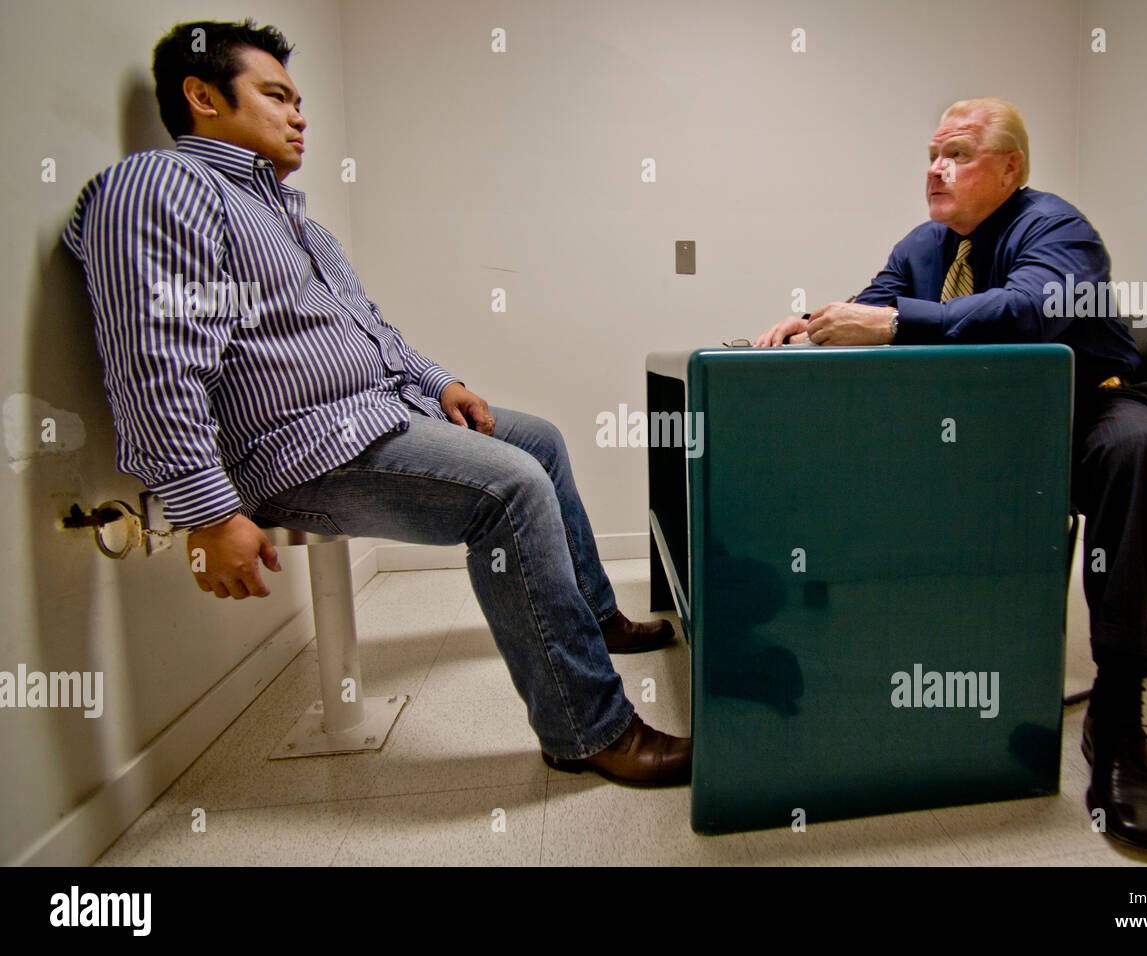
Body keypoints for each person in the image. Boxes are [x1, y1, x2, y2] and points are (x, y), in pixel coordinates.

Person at [62, 19, 689, 786]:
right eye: (276, 95)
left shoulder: (299, 224)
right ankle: (586, 730)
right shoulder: (161, 187)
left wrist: (440, 384)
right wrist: (206, 511)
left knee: (541, 441)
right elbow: (153, 362)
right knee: (511, 488)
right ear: (201, 95)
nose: (300, 115)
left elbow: (375, 334)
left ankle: (593, 617)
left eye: (300, 100)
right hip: (295, 451)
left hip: (380, 415)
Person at [756, 97, 1147, 852]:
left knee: (1137, 453)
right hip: (986, 426)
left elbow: (1025, 312)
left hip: (1088, 407)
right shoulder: (922, 245)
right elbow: (875, 305)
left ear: (1011, 167)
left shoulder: (1057, 228)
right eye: (932, 153)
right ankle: (898, 662)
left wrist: (891, 325)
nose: (935, 167)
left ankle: (1117, 718)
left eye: (957, 152)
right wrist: (817, 321)